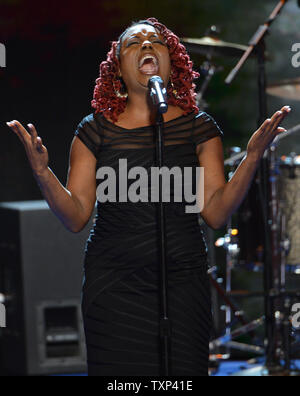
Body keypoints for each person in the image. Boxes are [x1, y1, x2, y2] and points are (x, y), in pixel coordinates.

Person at [6, 17, 291, 376]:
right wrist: (42, 173)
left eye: (155, 41)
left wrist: (251, 160)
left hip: (182, 283)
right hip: (114, 285)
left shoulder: (198, 127)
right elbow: (76, 216)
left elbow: (216, 213)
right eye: (133, 42)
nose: (145, 45)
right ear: (118, 71)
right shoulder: (94, 130)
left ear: (172, 63)